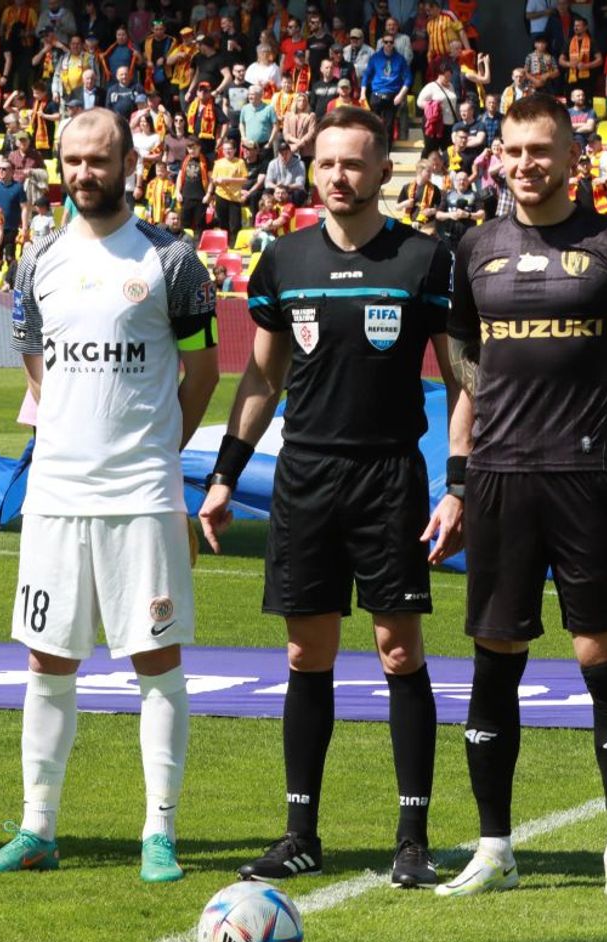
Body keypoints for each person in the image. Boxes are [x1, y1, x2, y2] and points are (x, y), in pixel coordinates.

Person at [436, 93, 607, 902]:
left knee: (602, 661)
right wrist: (458, 479)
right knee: (495, 659)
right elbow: (464, 368)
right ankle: (494, 849)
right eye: (513, 150)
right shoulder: (473, 248)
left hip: (586, 484)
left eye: (540, 150)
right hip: (499, 483)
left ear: (574, 158)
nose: (525, 164)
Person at [199, 106, 458, 890]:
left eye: (353, 163)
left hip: (389, 477)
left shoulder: (425, 259)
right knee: (305, 654)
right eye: (326, 163)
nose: (338, 176)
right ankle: (300, 833)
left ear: (383, 171)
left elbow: (466, 380)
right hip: (305, 479)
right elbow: (262, 376)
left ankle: (412, 839)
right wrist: (225, 473)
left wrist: (462, 485)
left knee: (398, 651)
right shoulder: (284, 259)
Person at [0, 107, 219, 883]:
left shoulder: (172, 260)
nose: (84, 173)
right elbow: (35, 362)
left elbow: (203, 372)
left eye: (99, 160)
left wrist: (155, 449)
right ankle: (38, 828)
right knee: (47, 658)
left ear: (128, 165)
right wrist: (69, 434)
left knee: (156, 657)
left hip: (141, 491)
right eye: (72, 160)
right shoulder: (37, 259)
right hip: (55, 493)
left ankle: (160, 832)